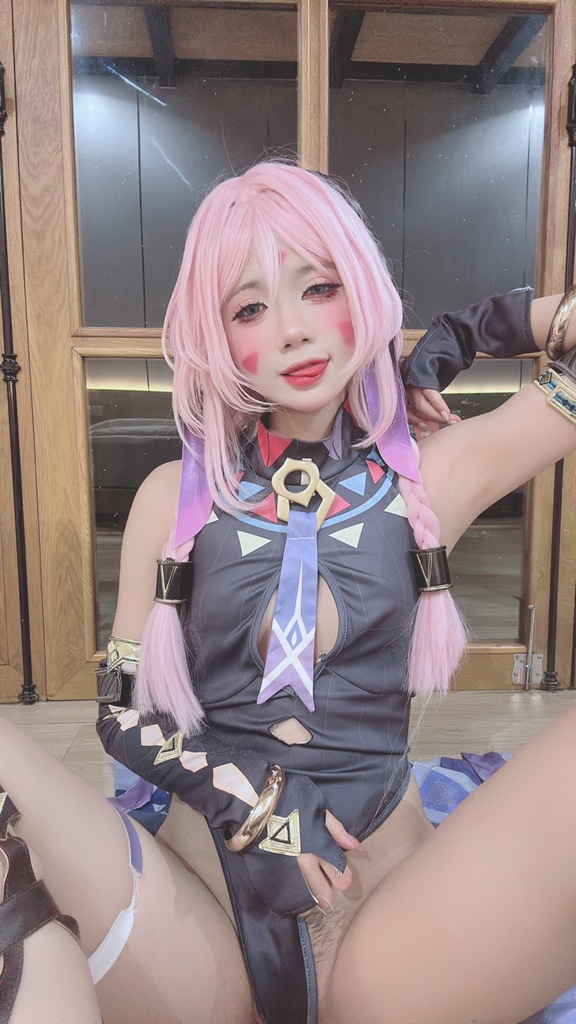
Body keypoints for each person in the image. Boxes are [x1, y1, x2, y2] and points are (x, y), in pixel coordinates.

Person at [1, 161, 576, 1024]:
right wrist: (255, 806)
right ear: (215, 332)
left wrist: (460, 336)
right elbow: (119, 711)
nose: (294, 332)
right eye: (251, 309)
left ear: (363, 292)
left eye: (320, 289)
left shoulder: (429, 479)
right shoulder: (173, 499)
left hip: (394, 938)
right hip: (196, 926)